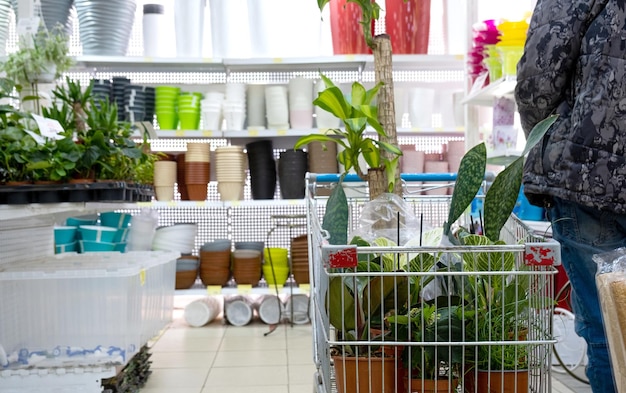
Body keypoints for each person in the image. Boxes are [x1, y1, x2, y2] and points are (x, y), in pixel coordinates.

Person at [514, 1, 626, 392]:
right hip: (592, 178)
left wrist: (556, 138)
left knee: (607, 332)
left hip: (593, 177)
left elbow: (537, 80)